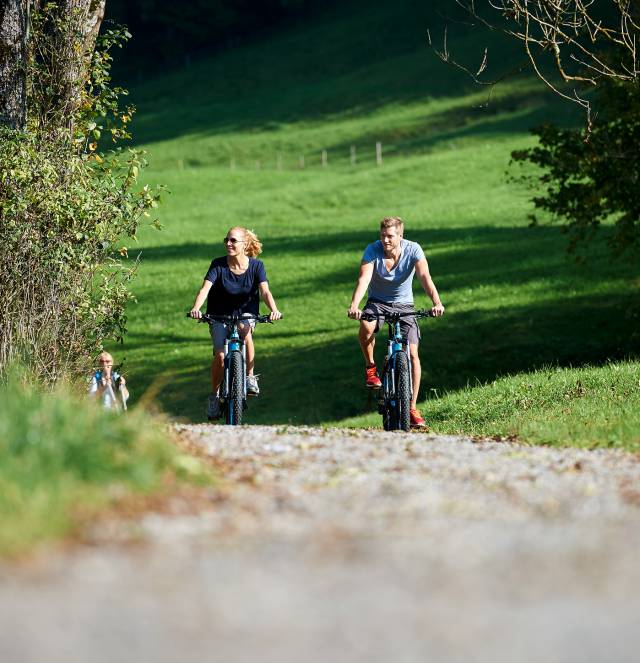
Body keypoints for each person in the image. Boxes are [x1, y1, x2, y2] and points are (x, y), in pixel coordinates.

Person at [347, 216, 444, 428]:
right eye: (382, 235)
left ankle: (411, 407)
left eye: (390, 236)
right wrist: (355, 305)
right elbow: (363, 279)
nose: (385, 240)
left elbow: (425, 277)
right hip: (377, 303)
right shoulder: (372, 250)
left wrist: (436, 302)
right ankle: (371, 367)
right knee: (365, 325)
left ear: (401, 236)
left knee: (412, 355)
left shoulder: (414, 249)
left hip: (404, 306)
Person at [189, 226, 282, 420]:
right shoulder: (218, 265)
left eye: (233, 241)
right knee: (220, 356)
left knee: (244, 330)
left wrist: (274, 310)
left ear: (244, 244)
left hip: (245, 313)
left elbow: (265, 291)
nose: (228, 244)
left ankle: (249, 377)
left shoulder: (257, 266)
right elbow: (205, 289)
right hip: (218, 314)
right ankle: (214, 396)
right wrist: (196, 308)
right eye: (227, 240)